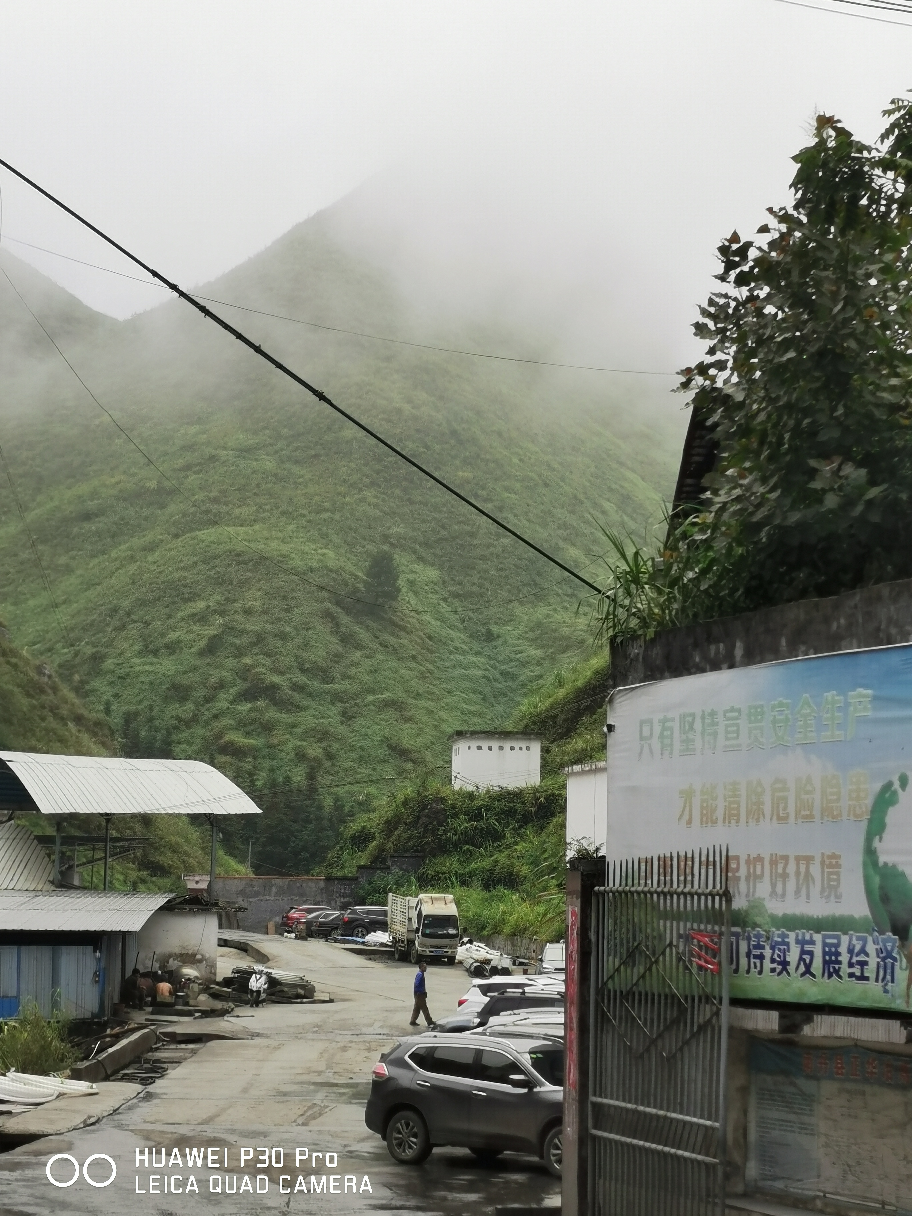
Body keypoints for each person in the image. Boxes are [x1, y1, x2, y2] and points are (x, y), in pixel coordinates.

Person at [410, 961, 433, 1026]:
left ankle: (413, 1021)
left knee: (417, 1008)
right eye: (424, 967)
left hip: (419, 993)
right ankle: (429, 1021)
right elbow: (417, 984)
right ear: (421, 967)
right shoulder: (420, 974)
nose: (426, 968)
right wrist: (421, 992)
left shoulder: (421, 974)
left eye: (426, 967)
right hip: (419, 994)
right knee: (424, 1008)